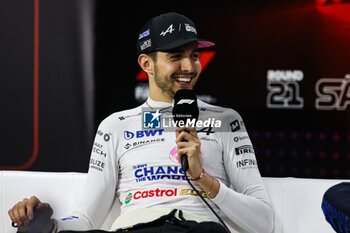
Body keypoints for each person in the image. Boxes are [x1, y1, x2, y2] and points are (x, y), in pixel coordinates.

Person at [8, 12, 274, 233]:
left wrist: (202, 178)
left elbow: (263, 223)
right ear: (147, 63)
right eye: (175, 57)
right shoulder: (116, 126)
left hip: (199, 230)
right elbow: (87, 220)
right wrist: (46, 225)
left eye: (194, 55)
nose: (190, 66)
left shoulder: (226, 121)